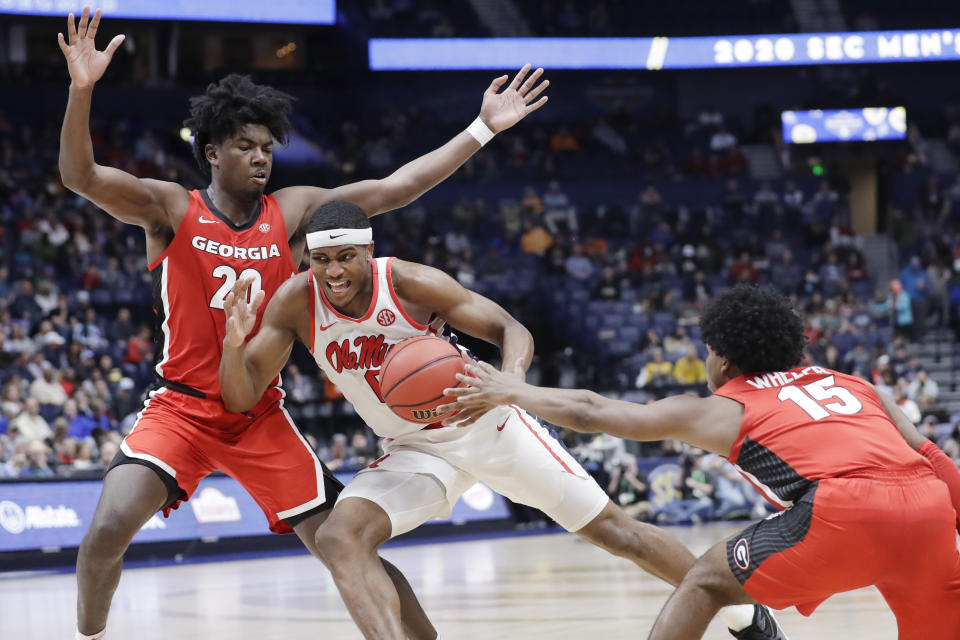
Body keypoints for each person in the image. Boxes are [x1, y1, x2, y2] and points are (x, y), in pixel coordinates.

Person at [57, 8, 549, 640]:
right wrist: (82, 90)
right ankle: (89, 635)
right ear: (212, 152)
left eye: (267, 148)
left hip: (259, 412)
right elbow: (80, 177)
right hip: (181, 409)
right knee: (103, 533)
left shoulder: (291, 212)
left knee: (350, 547)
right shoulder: (171, 207)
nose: (261, 158)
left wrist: (482, 127)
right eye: (245, 147)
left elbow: (394, 188)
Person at [218, 201, 784, 640]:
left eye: (346, 257)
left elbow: (512, 329)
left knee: (617, 534)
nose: (334, 271)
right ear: (308, 261)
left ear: (370, 250)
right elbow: (240, 397)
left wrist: (507, 383)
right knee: (343, 536)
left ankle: (741, 612)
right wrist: (233, 342)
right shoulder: (295, 303)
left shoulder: (412, 283)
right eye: (321, 260)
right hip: (414, 447)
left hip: (486, 421)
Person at [445, 285, 960, 640]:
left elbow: (591, 410)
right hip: (930, 511)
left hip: (847, 509)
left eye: (707, 351)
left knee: (708, 578)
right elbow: (932, 457)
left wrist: (513, 389)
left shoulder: (723, 408)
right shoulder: (854, 384)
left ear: (723, 360)